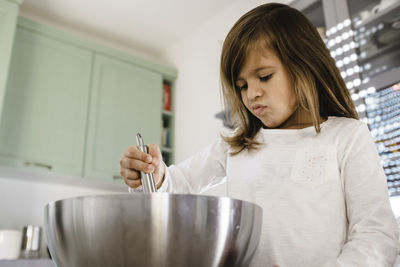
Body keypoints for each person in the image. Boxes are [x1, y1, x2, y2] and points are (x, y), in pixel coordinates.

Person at [119, 3, 399, 267]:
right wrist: (153, 176)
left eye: (264, 77)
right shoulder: (238, 146)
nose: (252, 94)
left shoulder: (347, 136)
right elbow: (176, 186)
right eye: (242, 85)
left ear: (305, 66)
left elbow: (377, 235)